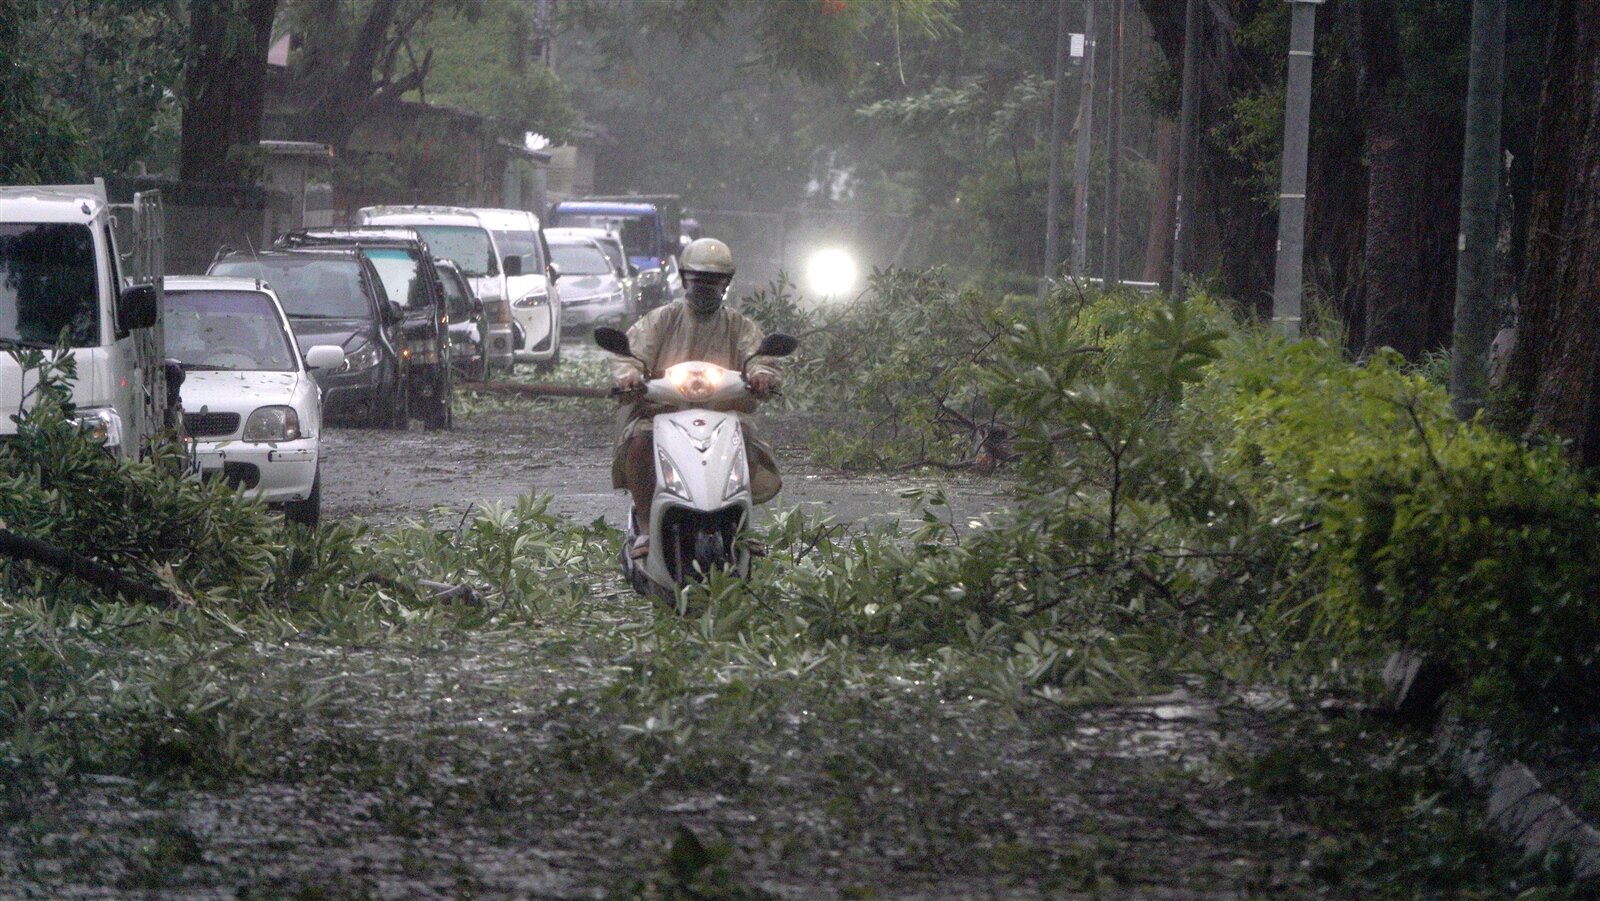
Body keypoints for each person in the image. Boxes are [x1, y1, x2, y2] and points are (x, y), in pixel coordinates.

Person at [610, 238, 782, 558]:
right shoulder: (661, 319)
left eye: (712, 281)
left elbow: (758, 357)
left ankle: (742, 525)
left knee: (745, 438)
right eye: (698, 280)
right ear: (685, 278)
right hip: (661, 412)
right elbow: (631, 355)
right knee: (638, 441)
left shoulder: (739, 325)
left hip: (724, 415)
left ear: (726, 283)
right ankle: (646, 524)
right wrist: (629, 375)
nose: (704, 287)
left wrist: (762, 375)